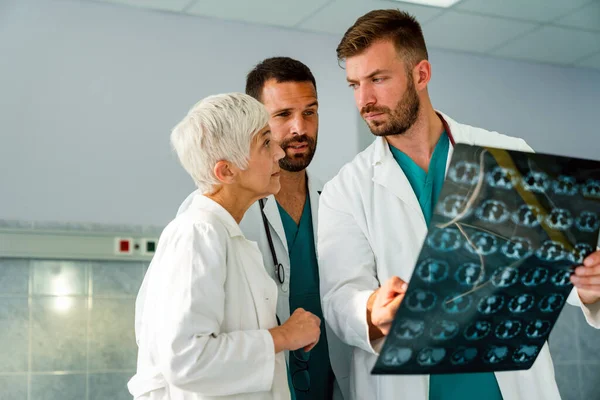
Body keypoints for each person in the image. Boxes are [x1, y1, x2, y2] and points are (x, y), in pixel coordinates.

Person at [317, 9, 600, 400]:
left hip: (511, 385)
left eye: (378, 79)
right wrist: (371, 310)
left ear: (421, 75)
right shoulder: (344, 191)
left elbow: (557, 268)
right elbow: (339, 297)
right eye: (354, 84)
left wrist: (589, 287)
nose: (364, 99)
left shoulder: (506, 155)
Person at [128, 93, 322, 400]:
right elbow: (188, 360)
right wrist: (283, 336)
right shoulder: (197, 233)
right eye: (265, 143)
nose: (278, 154)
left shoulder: (227, 236)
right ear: (226, 171)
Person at [177, 57, 350, 400]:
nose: (299, 128)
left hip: (333, 386)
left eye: (310, 112)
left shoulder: (338, 201)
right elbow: (182, 348)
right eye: (283, 115)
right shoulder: (210, 216)